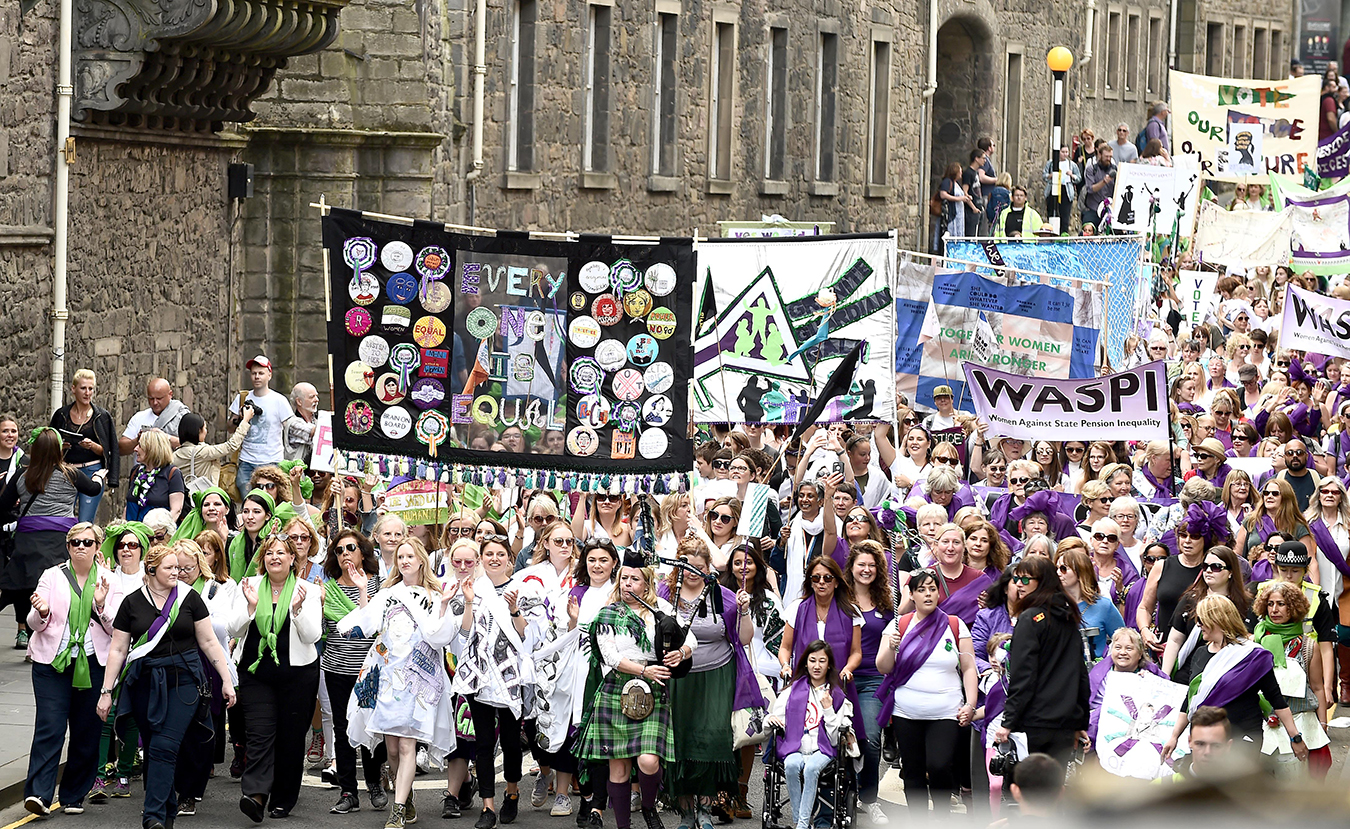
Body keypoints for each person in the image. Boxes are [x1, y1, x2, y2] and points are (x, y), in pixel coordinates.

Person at [98, 543, 237, 829]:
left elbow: (209, 641)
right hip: (144, 682)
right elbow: (118, 649)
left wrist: (226, 679)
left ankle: (152, 816)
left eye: (179, 567)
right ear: (150, 570)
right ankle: (167, 814)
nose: (178, 572)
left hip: (184, 681)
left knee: (164, 745)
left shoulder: (190, 599)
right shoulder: (132, 603)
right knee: (153, 746)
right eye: (170, 568)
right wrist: (106, 691)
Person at [338, 537, 457, 829]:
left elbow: (441, 635)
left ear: (421, 560)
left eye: (409, 556)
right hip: (388, 679)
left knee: (407, 748)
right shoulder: (389, 593)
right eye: (400, 556)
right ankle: (408, 797)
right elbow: (368, 624)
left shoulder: (434, 594)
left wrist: (442, 606)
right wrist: (363, 590)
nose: (404, 561)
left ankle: (398, 809)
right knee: (392, 750)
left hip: (418, 681)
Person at [575, 553, 695, 829]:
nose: (628, 584)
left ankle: (649, 806)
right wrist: (644, 670)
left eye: (635, 579)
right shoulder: (608, 613)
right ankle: (623, 826)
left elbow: (691, 638)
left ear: (646, 583)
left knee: (649, 761)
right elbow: (610, 656)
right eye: (624, 578)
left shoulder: (661, 609)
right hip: (618, 687)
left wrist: (681, 652)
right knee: (618, 767)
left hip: (652, 690)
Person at [22, 523, 120, 816]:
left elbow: (117, 629)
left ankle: (74, 794)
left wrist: (100, 606)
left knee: (86, 729)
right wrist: (42, 612)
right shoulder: (52, 576)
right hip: (52, 663)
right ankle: (38, 794)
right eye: (75, 542)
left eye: (87, 542)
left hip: (92, 663)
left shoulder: (109, 580)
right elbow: (33, 623)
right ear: (67, 547)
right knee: (49, 727)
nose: (80, 546)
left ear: (96, 547)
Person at [661, 539, 759, 829]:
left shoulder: (723, 596)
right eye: (687, 566)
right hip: (678, 679)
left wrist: (743, 610)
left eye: (700, 568)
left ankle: (705, 810)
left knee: (711, 742)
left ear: (709, 569)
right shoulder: (665, 593)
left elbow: (743, 638)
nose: (693, 572)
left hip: (717, 675)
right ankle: (686, 813)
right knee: (681, 742)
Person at [227, 531, 322, 822]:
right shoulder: (249, 586)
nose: (275, 557)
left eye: (281, 553)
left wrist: (297, 611)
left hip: (298, 675)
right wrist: (251, 607)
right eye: (269, 553)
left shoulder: (309, 590)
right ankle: (255, 796)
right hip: (257, 675)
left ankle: (282, 799)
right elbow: (233, 629)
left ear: (293, 558)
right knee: (259, 734)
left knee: (291, 739)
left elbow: (312, 635)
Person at [874, 569, 978, 819]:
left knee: (939, 765)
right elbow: (883, 667)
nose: (928, 594)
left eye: (932, 589)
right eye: (921, 590)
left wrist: (971, 704)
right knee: (913, 769)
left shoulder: (955, 625)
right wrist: (891, 647)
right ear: (912, 595)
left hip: (945, 711)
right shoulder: (898, 626)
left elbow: (969, 667)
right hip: (906, 712)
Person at [451, 533, 534, 829]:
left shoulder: (522, 589)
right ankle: (488, 806)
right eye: (489, 554)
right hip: (479, 675)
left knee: (512, 743)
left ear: (509, 560)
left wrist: (514, 609)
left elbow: (528, 636)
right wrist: (470, 602)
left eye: (501, 554)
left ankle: (512, 793)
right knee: (484, 742)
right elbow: (462, 635)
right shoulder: (472, 588)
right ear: (481, 559)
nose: (494, 559)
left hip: (511, 677)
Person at [0, 428, 106, 650]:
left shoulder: (22, 475)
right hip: (59, 540)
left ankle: (30, 637)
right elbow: (94, 489)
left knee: (26, 587)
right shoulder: (70, 474)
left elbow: (2, 506)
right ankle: (53, 637)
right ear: (59, 450)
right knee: (57, 586)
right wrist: (98, 475)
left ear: (35, 450)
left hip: (28, 541)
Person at [1160, 595, 1304, 756]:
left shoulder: (1252, 655)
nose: (1198, 625)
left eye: (1201, 619)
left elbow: (1276, 699)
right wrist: (1174, 737)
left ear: (1217, 619)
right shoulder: (1200, 653)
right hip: (1205, 739)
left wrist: (1295, 737)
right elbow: (1191, 699)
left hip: (1242, 737)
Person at [994, 555, 1090, 766]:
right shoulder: (1068, 616)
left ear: (1043, 581)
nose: (1019, 584)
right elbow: (1080, 673)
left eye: (1026, 579)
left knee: (1028, 792)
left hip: (1034, 723)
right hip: (1064, 723)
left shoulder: (1030, 618)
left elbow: (1023, 676)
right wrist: (1080, 721)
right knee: (1051, 792)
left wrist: (1008, 722)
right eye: (1016, 578)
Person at [172, 537, 238, 815]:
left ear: (200, 565)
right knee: (172, 730)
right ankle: (169, 788)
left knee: (201, 729)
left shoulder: (215, 590)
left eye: (187, 568)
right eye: (177, 568)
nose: (182, 574)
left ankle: (192, 790)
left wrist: (194, 616)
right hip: (173, 663)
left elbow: (223, 629)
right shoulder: (163, 590)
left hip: (206, 664)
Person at [766, 641, 854, 829]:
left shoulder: (836, 695)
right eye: (812, 660)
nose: (816, 665)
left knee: (811, 769)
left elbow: (833, 738)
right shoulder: (792, 691)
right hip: (796, 746)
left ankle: (802, 825)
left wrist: (829, 709)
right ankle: (800, 821)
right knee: (790, 765)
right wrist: (773, 720)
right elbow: (772, 718)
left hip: (822, 749)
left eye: (822, 661)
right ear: (805, 662)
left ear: (829, 664)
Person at [564, 538, 620, 825]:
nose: (597, 565)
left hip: (611, 673)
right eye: (592, 560)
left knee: (604, 740)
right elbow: (569, 637)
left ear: (613, 564)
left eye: (603, 560)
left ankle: (598, 803)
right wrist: (573, 621)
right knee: (580, 737)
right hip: (580, 672)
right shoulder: (577, 592)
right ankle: (586, 797)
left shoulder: (620, 592)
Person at [1251, 581, 1331, 777]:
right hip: (1261, 725)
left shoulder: (1308, 646)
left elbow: (1317, 688)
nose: (1274, 610)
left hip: (1300, 723)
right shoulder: (1255, 641)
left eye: (1281, 604)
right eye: (1270, 604)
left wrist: (1322, 725)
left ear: (1293, 607)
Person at [842, 544, 893, 826]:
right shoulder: (839, 598)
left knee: (870, 739)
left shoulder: (887, 602)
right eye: (861, 564)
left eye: (872, 565)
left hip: (873, 678)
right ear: (851, 567)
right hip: (840, 677)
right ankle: (839, 794)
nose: (866, 569)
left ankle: (869, 798)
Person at [1161, 545, 1252, 682]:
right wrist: (1164, 677)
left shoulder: (1246, 604)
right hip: (1187, 674)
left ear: (1231, 572)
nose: (1208, 571)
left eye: (1216, 567)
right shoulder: (1190, 599)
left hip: (1226, 676)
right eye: (1205, 566)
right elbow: (1174, 640)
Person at [49, 369, 118, 523]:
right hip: (67, 471)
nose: (87, 393)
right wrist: (61, 447)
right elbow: (48, 444)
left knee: (85, 521)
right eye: (83, 388)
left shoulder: (101, 416)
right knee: (61, 517)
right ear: (73, 389)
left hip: (91, 471)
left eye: (91, 388)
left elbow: (110, 450)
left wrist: (92, 446)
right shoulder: (61, 415)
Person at [1085, 628, 1167, 748]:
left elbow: (1167, 699)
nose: (1122, 652)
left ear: (1139, 654)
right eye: (1118, 648)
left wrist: (1152, 684)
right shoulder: (1098, 675)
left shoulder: (1151, 674)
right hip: (1098, 731)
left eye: (1129, 648)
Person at [229, 356, 296, 498]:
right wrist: (241, 418)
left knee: (270, 501)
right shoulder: (242, 398)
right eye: (254, 373)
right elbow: (229, 427)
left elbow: (291, 427)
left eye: (261, 373)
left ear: (269, 375)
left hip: (272, 460)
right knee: (249, 499)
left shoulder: (279, 400)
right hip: (247, 460)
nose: (257, 377)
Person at [1056, 547, 1123, 659]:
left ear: (1080, 571)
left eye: (1063, 568)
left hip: (1094, 671)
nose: (1058, 573)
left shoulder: (1104, 606)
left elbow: (1123, 640)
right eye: (1056, 568)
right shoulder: (1052, 605)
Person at [172, 409, 252, 493]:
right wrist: (245, 421)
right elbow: (231, 446)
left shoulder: (175, 455)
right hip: (202, 498)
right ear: (199, 431)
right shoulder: (202, 452)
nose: (206, 432)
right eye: (205, 428)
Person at [123, 430, 186, 523]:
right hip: (131, 533)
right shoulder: (136, 471)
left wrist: (159, 532)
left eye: (140, 446)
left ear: (152, 449)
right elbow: (129, 505)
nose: (135, 449)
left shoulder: (172, 473)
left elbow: (176, 510)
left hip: (156, 534)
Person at [118, 378, 190, 456]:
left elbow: (191, 447)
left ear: (170, 394)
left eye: (159, 398)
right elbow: (120, 449)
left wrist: (164, 437)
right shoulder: (139, 417)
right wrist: (138, 440)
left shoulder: (182, 416)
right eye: (151, 399)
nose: (155, 403)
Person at [1040, 147, 1080, 233]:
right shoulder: (1050, 163)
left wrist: (1072, 175)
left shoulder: (1072, 164)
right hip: (1053, 188)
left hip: (1066, 190)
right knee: (1052, 213)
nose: (1065, 154)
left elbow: (1078, 178)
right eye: (1063, 152)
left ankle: (1063, 235)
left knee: (1064, 216)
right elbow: (1044, 175)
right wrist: (1050, 176)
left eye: (1067, 152)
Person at [284, 383, 321, 463]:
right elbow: (314, 432)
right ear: (299, 401)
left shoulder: (317, 421)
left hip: (315, 473)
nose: (317, 399)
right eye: (312, 397)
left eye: (316, 396)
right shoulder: (293, 423)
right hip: (297, 474)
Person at [1081, 142, 1115, 228]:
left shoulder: (1115, 169)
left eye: (1110, 157)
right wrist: (1104, 181)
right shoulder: (1091, 169)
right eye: (1106, 156)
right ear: (1100, 155)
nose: (1108, 159)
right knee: (1087, 229)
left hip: (1109, 210)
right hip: (1093, 208)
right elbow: (1090, 189)